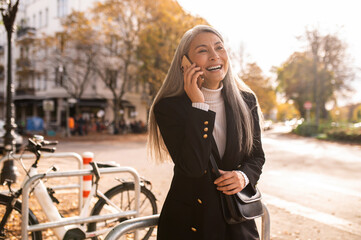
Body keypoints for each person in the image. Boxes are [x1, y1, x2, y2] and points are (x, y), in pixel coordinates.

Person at [147, 25, 265, 240]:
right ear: (185, 63)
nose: (214, 56)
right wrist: (199, 106)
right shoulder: (168, 107)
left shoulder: (246, 101)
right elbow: (192, 168)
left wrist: (243, 176)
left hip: (236, 221)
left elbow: (256, 156)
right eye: (202, 50)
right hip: (190, 223)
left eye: (219, 48)